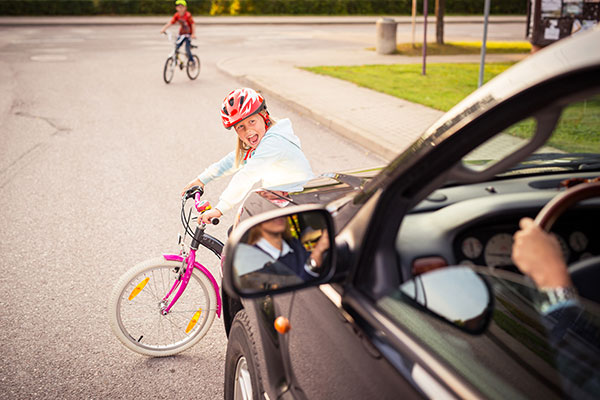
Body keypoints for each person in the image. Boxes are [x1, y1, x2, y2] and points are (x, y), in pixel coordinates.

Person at [181, 88, 314, 224]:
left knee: (244, 236)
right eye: (240, 127)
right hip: (282, 201)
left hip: (299, 204)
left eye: (252, 121)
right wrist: (202, 180)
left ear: (264, 116)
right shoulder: (263, 141)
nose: (248, 130)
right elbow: (232, 160)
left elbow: (248, 175)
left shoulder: (274, 143)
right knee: (241, 233)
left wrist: (220, 208)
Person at [159, 0, 196, 65]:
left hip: (188, 34)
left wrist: (193, 34)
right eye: (179, 7)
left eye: (182, 7)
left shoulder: (188, 15)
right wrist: (163, 29)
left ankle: (192, 61)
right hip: (181, 34)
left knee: (187, 50)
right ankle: (175, 60)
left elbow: (193, 24)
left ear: (185, 8)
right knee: (176, 47)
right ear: (176, 8)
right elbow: (170, 23)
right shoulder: (177, 15)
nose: (180, 9)